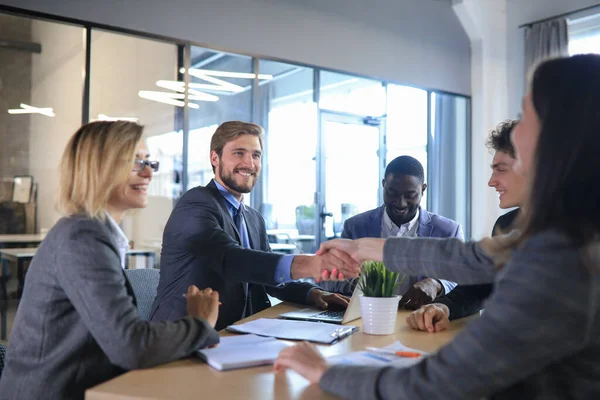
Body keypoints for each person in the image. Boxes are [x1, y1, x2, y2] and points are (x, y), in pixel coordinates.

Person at [275, 54, 600, 399]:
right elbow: (474, 258)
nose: (515, 132)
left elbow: (434, 385)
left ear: (559, 140)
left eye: (526, 117)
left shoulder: (560, 258)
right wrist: (364, 248)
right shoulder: (575, 233)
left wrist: (326, 371)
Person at [0, 121, 221, 400]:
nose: (148, 172)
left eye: (149, 162)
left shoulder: (93, 232)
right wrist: (200, 323)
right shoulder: (82, 238)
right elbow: (131, 346)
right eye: (134, 162)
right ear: (98, 168)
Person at [150, 121, 359, 330]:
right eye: (239, 153)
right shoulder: (195, 203)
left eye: (256, 155)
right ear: (215, 158)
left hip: (241, 331)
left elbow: (267, 276)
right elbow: (233, 260)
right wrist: (314, 264)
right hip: (184, 334)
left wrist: (313, 293)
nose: (249, 163)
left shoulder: (253, 218)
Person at [407, 120, 525, 332]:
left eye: (501, 169)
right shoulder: (506, 224)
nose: (491, 181)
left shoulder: (580, 233)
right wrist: (444, 307)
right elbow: (481, 284)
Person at [319, 155, 461, 309]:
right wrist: (356, 283)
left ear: (423, 189)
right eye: (392, 193)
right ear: (383, 185)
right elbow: (328, 278)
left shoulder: (447, 231)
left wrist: (436, 284)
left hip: (421, 322)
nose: (400, 203)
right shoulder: (355, 227)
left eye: (410, 195)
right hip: (368, 318)